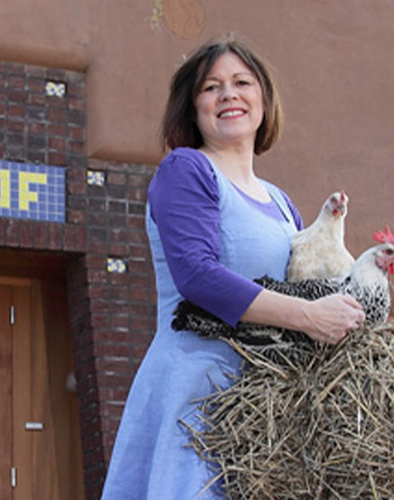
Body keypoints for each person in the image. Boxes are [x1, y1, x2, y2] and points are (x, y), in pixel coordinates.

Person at [101, 38, 366, 499]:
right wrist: (309, 316)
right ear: (193, 106)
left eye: (242, 82)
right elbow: (197, 276)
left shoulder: (281, 202)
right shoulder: (186, 170)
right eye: (211, 87)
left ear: (263, 100)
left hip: (262, 408)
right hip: (199, 395)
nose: (229, 94)